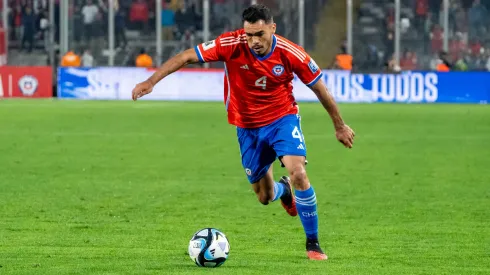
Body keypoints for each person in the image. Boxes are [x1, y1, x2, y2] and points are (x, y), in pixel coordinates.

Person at [131, 4, 355, 261]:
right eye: (249, 35)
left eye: (259, 34)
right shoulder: (230, 43)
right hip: (247, 128)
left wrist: (339, 125)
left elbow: (320, 89)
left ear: (272, 28)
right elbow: (186, 57)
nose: (253, 41)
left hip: (282, 119)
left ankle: (313, 244)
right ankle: (283, 192)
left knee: (299, 173)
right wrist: (150, 81)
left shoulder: (290, 53)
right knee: (264, 196)